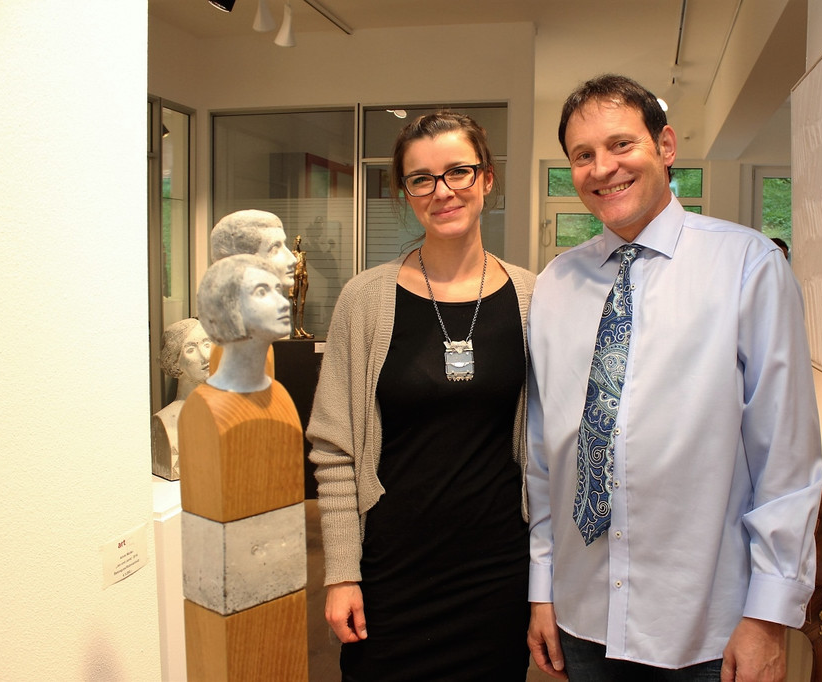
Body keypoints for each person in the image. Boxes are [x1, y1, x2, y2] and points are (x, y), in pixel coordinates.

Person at [526, 74, 822, 681]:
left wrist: (768, 617)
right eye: (583, 155)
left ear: (665, 146)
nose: (602, 168)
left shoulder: (747, 266)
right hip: (583, 614)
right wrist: (542, 587)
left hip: (707, 625)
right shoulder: (556, 285)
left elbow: (785, 458)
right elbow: (544, 454)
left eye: (621, 144)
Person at [306, 111, 536, 682]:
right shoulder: (364, 300)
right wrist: (342, 572)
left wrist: (547, 585)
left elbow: (550, 450)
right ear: (405, 193)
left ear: (486, 178)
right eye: (422, 179)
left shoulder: (534, 298)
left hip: (496, 572)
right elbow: (334, 451)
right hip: (391, 571)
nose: (443, 191)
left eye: (458, 171)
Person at [196, 253, 291, 393]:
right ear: (230, 307)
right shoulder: (208, 402)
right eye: (262, 292)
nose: (284, 303)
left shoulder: (279, 393)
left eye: (278, 290)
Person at [151, 318, 212, 478]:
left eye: (207, 344)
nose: (206, 356)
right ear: (175, 362)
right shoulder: (165, 421)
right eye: (190, 349)